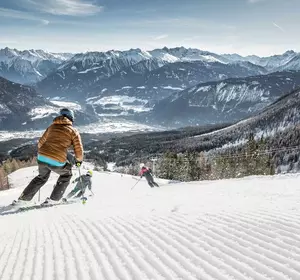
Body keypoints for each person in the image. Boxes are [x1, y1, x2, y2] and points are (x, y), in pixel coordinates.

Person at [13, 108, 84, 206]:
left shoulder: (51, 127)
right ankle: (54, 199)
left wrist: (46, 152)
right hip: (56, 160)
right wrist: (79, 161)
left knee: (41, 177)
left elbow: (40, 143)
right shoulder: (73, 131)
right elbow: (79, 152)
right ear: (71, 118)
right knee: (66, 175)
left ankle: (23, 200)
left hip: (41, 157)